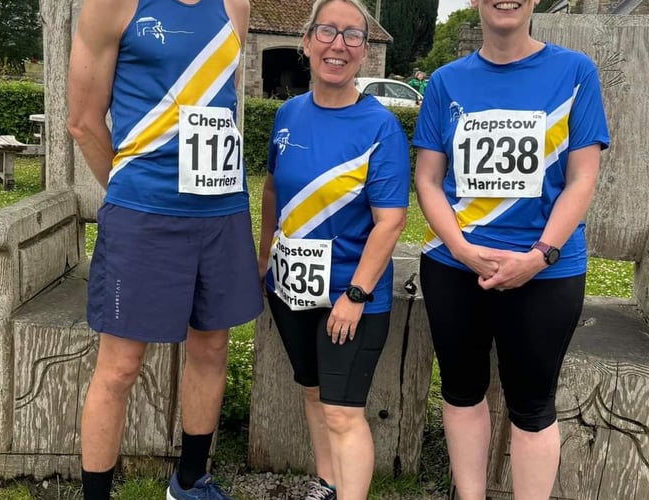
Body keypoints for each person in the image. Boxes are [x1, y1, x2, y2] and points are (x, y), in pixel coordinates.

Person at [412, 1, 609, 499]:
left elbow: (582, 177)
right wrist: (461, 249)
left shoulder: (575, 73)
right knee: (460, 393)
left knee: (533, 406)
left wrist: (540, 254)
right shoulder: (444, 82)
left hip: (544, 272)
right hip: (454, 267)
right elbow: (428, 180)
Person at [67, 0, 262, 499]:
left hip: (220, 210)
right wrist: (134, 190)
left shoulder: (235, 5)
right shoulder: (114, 5)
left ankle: (190, 482)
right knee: (120, 365)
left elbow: (222, 97)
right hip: (144, 215)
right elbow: (83, 120)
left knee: (212, 348)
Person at [257, 1, 411, 498]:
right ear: (306, 43)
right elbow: (272, 192)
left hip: (352, 296)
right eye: (327, 31)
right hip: (291, 288)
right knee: (313, 392)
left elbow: (391, 221)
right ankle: (325, 483)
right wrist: (263, 259)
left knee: (344, 412)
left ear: (364, 53)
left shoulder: (380, 127)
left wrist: (357, 294)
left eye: (352, 36)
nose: (337, 45)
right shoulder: (288, 113)